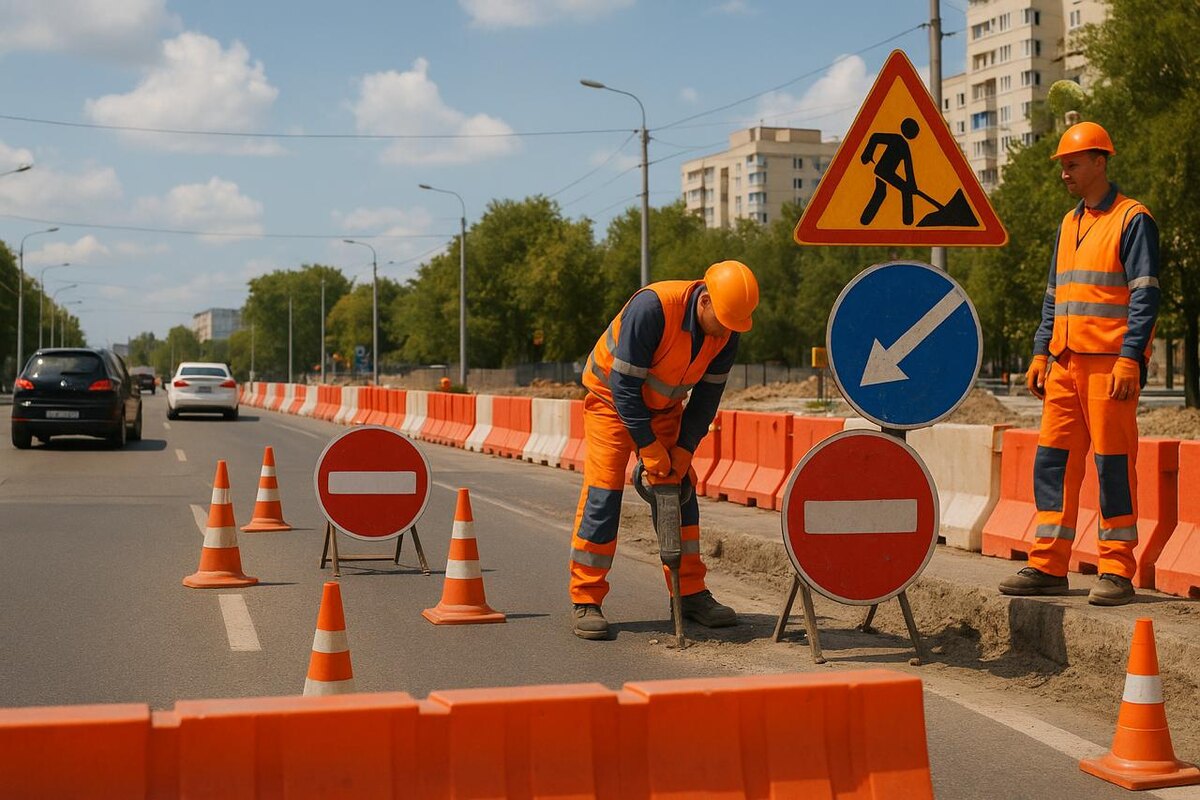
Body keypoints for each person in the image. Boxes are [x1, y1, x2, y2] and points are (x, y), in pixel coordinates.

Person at [999, 121, 1160, 606]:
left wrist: (1131, 358)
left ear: (1099, 162)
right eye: (1063, 165)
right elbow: (1054, 296)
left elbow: (1145, 296)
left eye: (1073, 164)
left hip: (1110, 367)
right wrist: (1040, 351)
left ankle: (1116, 569)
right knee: (1052, 464)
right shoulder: (1069, 224)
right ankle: (1049, 565)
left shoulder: (1132, 219)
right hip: (1064, 366)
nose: (1064, 173)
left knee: (1113, 466)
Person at [568, 260, 758, 639]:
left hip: (664, 409)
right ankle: (586, 596)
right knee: (604, 494)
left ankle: (689, 594)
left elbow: (707, 397)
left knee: (679, 490)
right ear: (704, 300)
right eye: (722, 322)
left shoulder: (728, 327)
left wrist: (685, 448)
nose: (726, 332)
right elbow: (624, 387)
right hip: (610, 403)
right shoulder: (653, 308)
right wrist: (649, 446)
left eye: (733, 326)